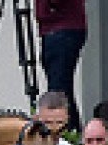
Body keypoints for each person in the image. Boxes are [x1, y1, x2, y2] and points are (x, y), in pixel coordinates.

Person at [35, 0, 87, 132]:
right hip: (59, 27)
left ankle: (64, 137)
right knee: (62, 90)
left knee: (59, 91)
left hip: (61, 26)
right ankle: (71, 137)